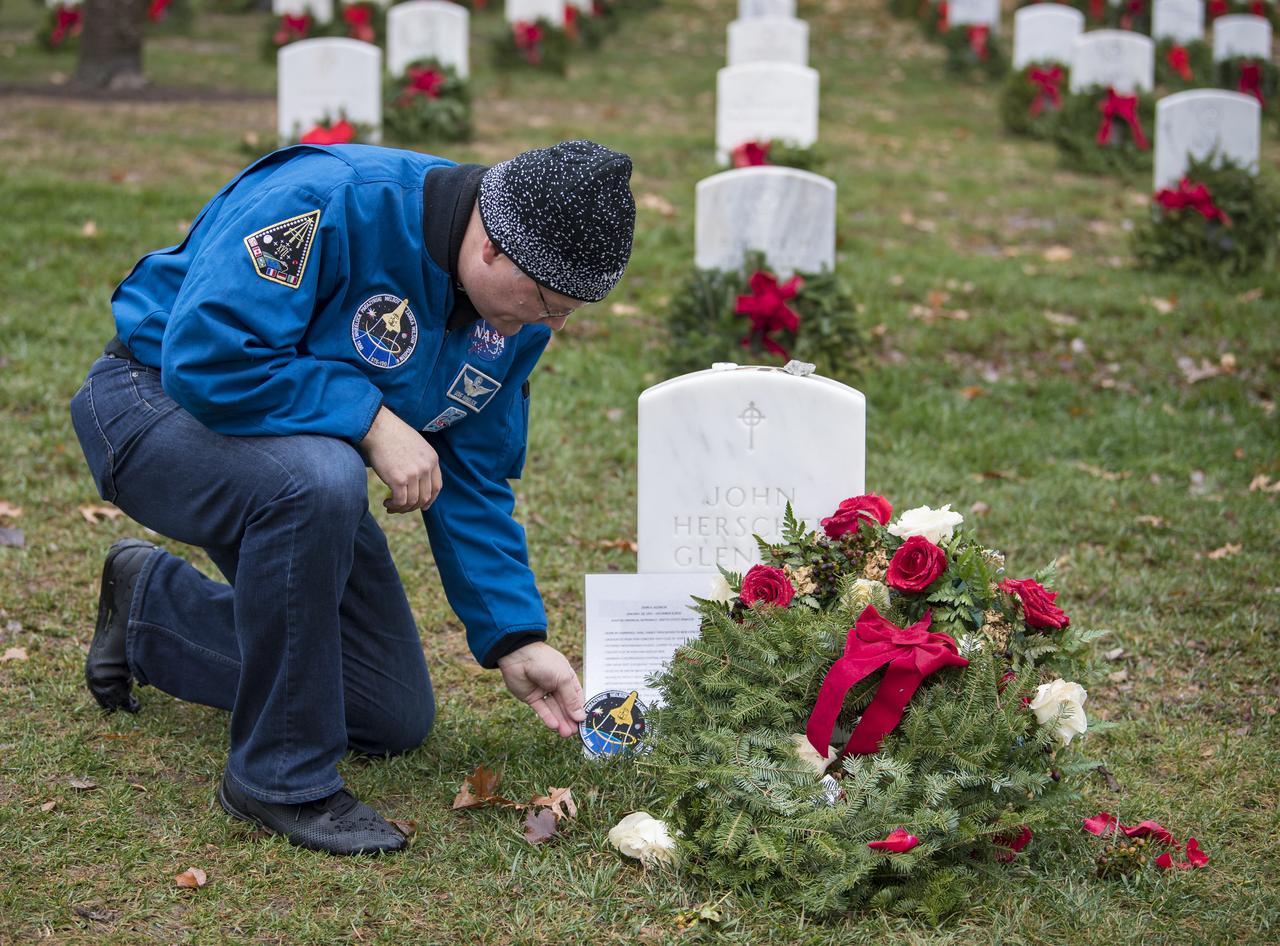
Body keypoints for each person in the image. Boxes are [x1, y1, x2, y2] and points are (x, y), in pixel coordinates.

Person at [69, 139, 636, 856]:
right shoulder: (332, 199)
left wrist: (515, 636)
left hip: (286, 458)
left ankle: (151, 610)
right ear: (491, 247)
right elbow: (207, 354)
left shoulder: (508, 321)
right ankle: (279, 779)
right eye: (548, 304)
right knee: (322, 478)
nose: (551, 328)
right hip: (149, 402)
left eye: (570, 311)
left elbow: (472, 471)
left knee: (387, 710)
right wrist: (368, 420)